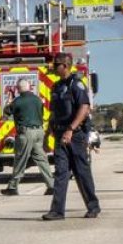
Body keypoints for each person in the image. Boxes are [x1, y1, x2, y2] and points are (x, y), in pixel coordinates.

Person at [41, 53, 100, 220]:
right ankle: (57, 211)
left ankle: (93, 206)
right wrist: (47, 134)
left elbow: (84, 108)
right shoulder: (56, 87)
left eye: (56, 65)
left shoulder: (77, 85)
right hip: (60, 135)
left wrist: (71, 129)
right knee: (60, 173)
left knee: (82, 172)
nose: (53, 67)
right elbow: (53, 113)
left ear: (65, 66)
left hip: (75, 136)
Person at [1, 78, 54, 196]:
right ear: (29, 88)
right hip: (39, 131)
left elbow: (5, 114)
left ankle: (13, 187)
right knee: (41, 159)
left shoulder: (17, 101)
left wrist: (9, 100)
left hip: (26, 133)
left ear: (18, 89)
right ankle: (51, 185)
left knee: (20, 159)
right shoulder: (38, 100)